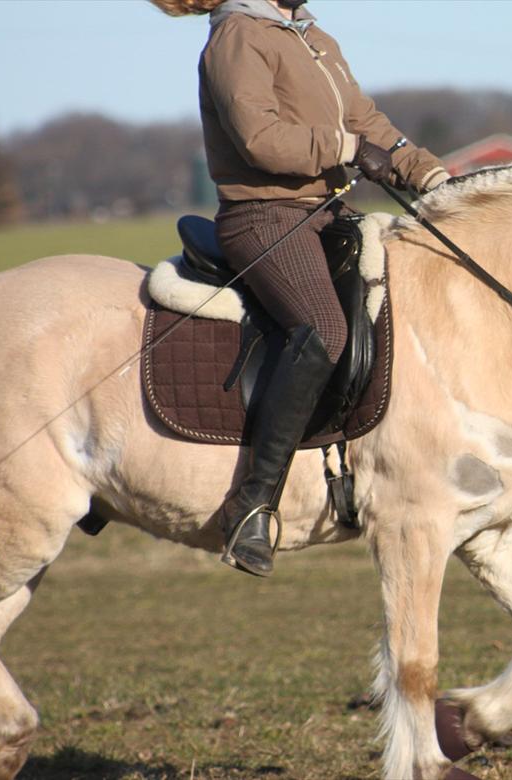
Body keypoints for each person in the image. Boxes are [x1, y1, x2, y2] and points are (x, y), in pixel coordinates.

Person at [152, 0, 450, 577]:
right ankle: (252, 504)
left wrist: (431, 175)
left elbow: (367, 122)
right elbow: (260, 138)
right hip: (263, 217)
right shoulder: (239, 36)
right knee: (320, 332)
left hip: (325, 214)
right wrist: (343, 150)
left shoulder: (310, 34)